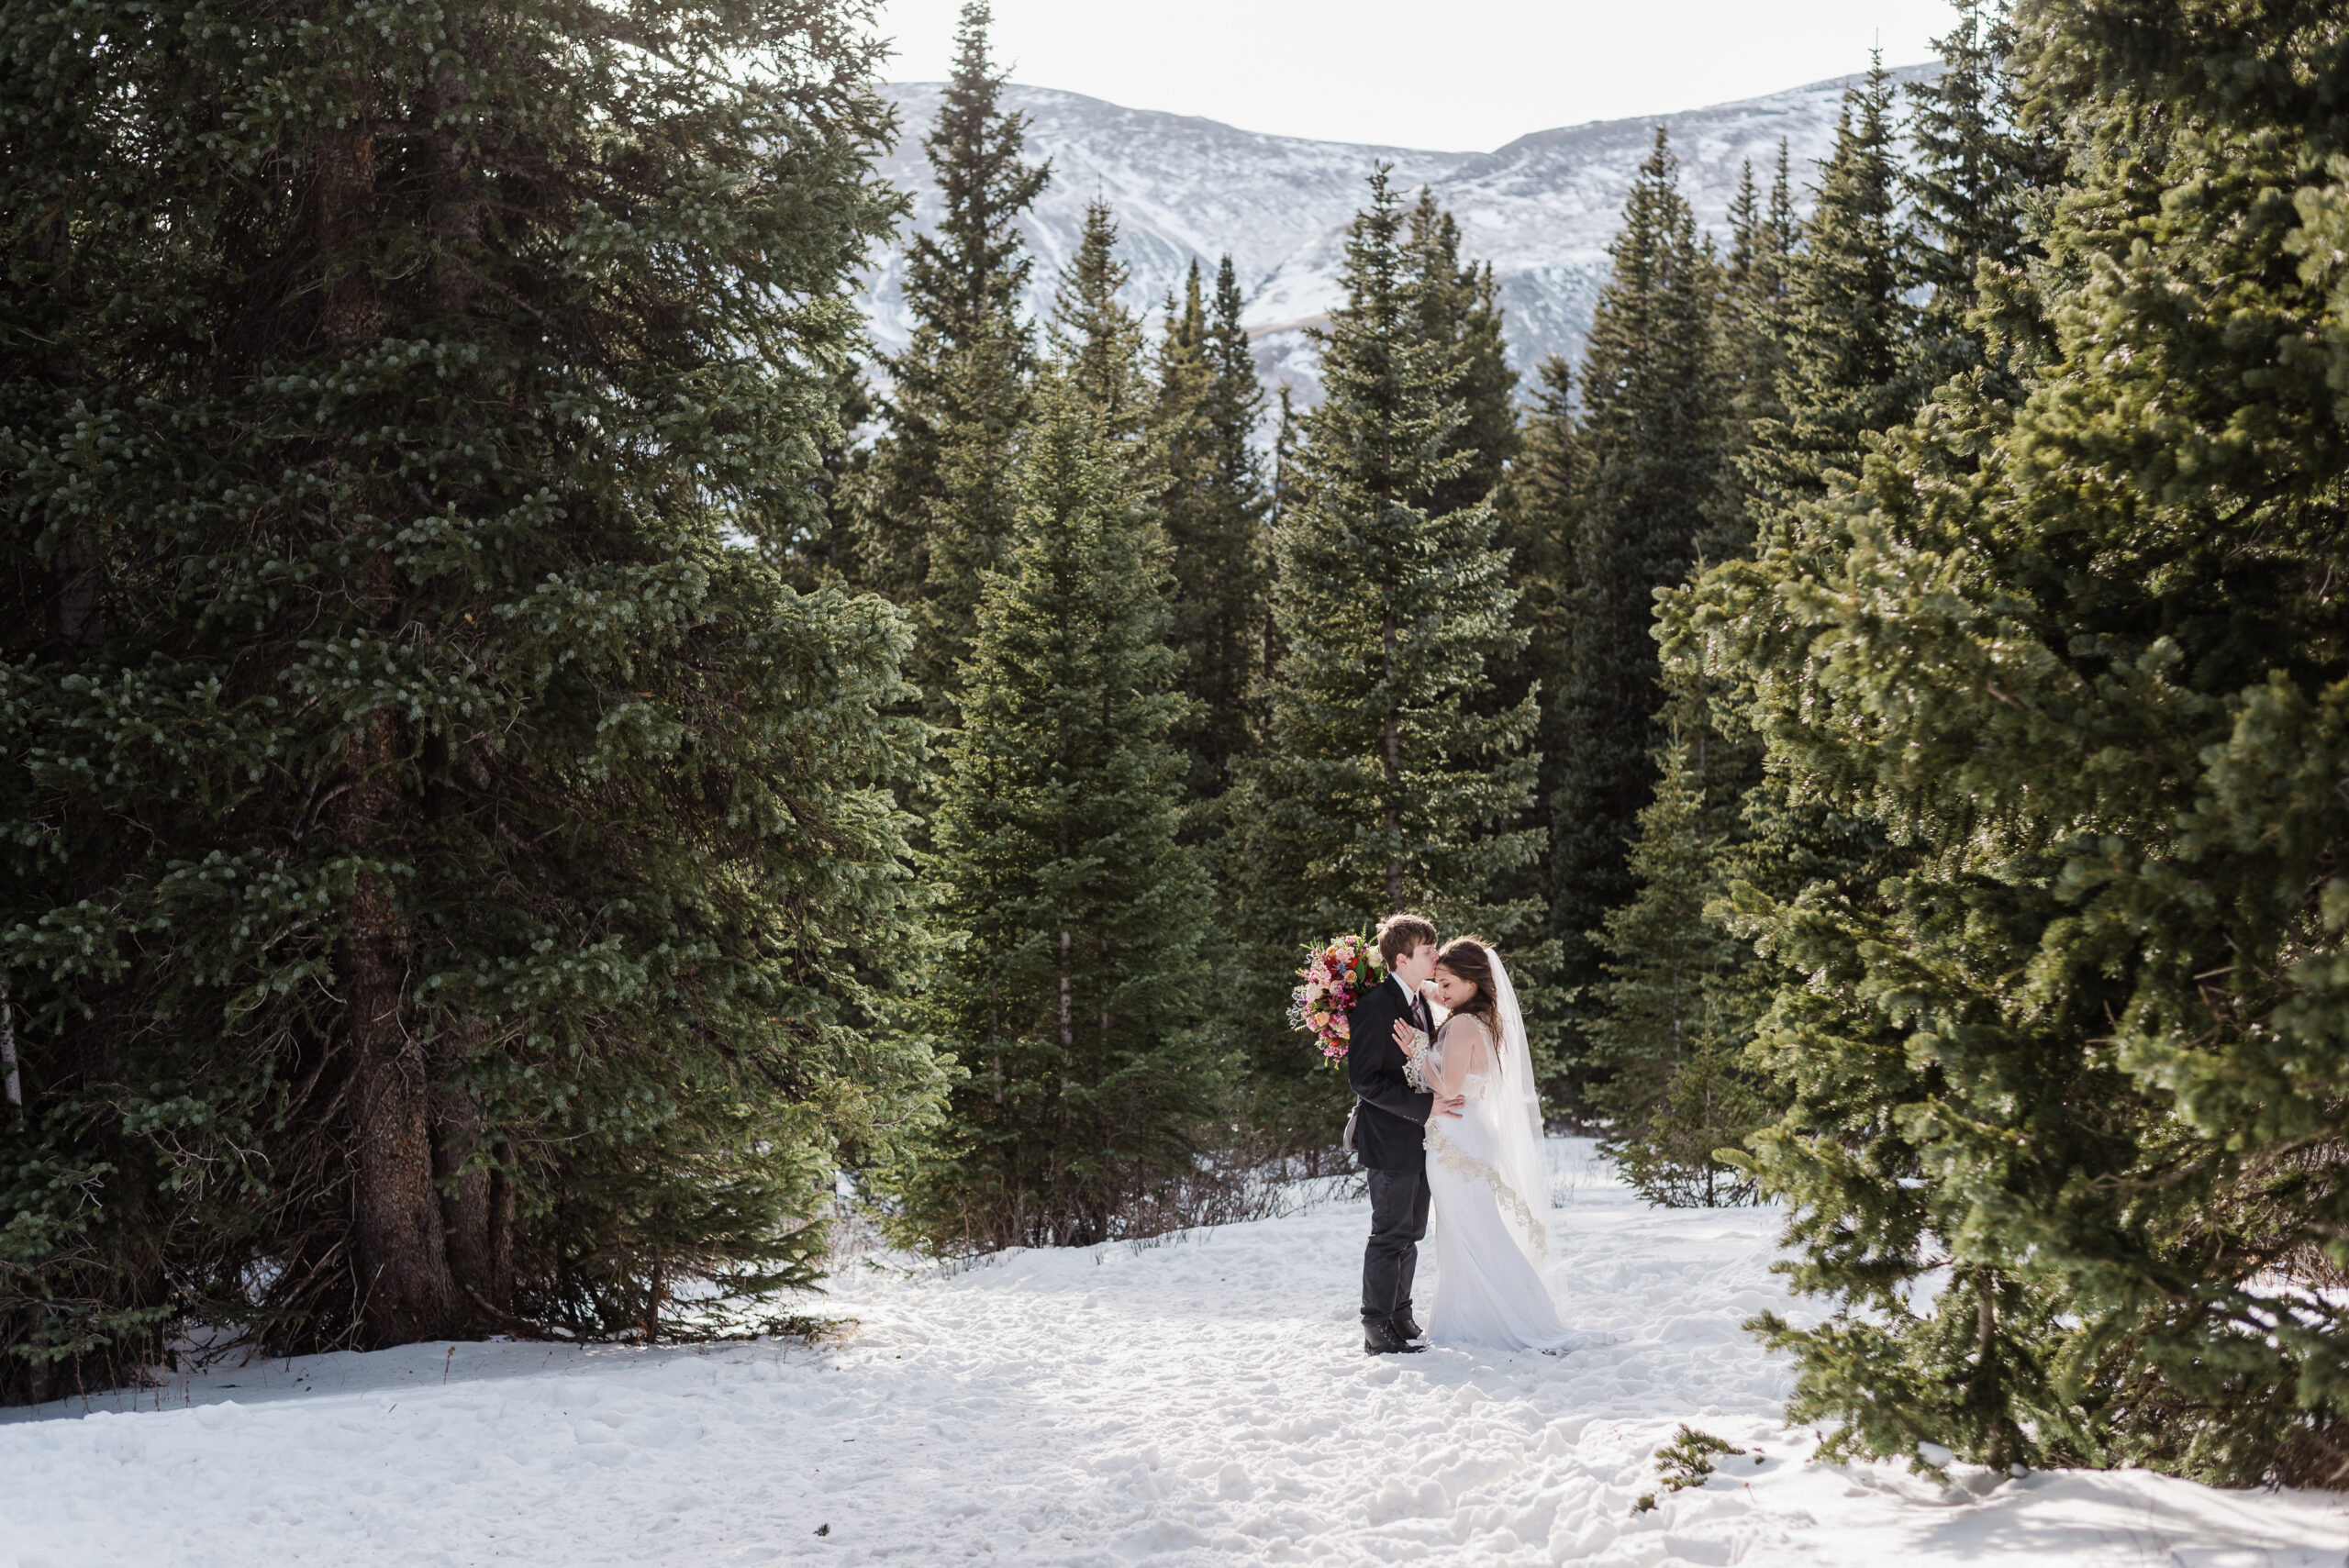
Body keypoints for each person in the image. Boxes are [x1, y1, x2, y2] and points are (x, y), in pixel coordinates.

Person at [1392, 936, 1582, 1352]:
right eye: (1438, 983)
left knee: (1473, 1231)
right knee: (1467, 1231)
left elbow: (1447, 1086)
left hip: (1458, 1139)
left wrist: (1418, 1050)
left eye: (1448, 985)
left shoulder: (1461, 1024)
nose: (1440, 993)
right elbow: (1429, 988)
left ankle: (1495, 1319)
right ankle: (1469, 1318)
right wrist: (1406, 974)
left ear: (1472, 984)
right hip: (1464, 1133)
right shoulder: (1480, 1017)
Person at [1344, 914, 1462, 1354]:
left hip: (1418, 1139)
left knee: (1411, 1231)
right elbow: (1364, 1080)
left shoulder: (1420, 1003)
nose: (1436, 955)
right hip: (1389, 1138)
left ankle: (1401, 1314)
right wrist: (1425, 1106)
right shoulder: (1376, 1005)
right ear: (1402, 958)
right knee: (1389, 1232)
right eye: (1428, 951)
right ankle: (1376, 1327)